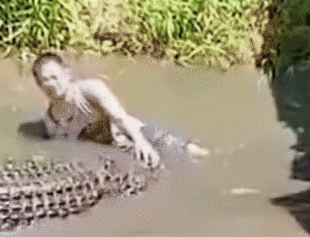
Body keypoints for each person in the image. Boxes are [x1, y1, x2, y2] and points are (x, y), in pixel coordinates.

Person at [31, 52, 208, 168]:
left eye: (54, 77)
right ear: (39, 84)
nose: (51, 84)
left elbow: (120, 117)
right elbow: (69, 148)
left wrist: (141, 142)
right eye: (44, 80)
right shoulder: (51, 119)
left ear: (67, 74)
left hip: (136, 133)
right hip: (111, 151)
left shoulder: (91, 89)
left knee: (195, 154)